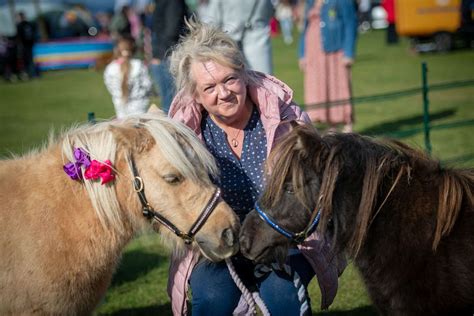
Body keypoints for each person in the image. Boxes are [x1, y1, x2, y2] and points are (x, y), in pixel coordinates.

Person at [167, 20, 343, 315]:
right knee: (211, 298)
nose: (223, 93)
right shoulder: (184, 138)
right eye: (209, 87)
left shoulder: (287, 120)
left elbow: (318, 187)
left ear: (244, 75)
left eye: (230, 80)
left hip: (285, 239)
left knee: (282, 292)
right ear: (195, 95)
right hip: (220, 246)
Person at [299, 0, 357, 132]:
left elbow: (350, 23)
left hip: (335, 50)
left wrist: (348, 52)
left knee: (338, 85)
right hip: (313, 51)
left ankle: (347, 124)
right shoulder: (310, 2)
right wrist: (302, 54)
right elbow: (305, 28)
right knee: (318, 85)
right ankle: (331, 124)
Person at [200, 0, 274, 74]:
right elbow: (270, 10)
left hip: (229, 40)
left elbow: (211, 21)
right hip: (257, 37)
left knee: (233, 78)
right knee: (263, 79)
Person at [149, 0, 189, 114]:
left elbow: (172, 30)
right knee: (168, 100)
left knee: (171, 101)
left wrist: (160, 54)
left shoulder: (172, 2)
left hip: (168, 55)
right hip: (163, 53)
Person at [103, 36, 152, 119]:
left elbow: (109, 85)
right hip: (139, 104)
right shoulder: (139, 65)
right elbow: (147, 84)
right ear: (133, 50)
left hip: (120, 103)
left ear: (117, 50)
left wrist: (117, 94)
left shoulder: (110, 68)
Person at [16, 12, 37, 79]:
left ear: (20, 17)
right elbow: (34, 32)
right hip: (30, 44)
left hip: (24, 45)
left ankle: (30, 74)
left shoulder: (20, 25)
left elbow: (19, 36)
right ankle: (32, 74)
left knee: (27, 60)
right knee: (30, 60)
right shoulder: (29, 24)